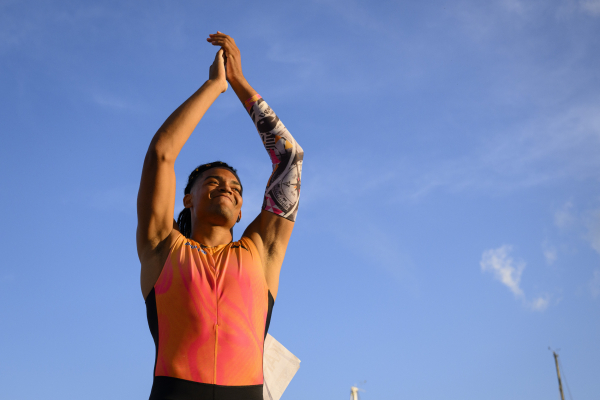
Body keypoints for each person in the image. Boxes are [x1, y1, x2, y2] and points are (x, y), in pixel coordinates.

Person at [136, 32, 303, 400]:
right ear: (188, 199)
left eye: (237, 188)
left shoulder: (261, 252)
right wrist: (215, 86)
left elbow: (290, 161)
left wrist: (242, 84)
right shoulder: (162, 248)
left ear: (243, 211)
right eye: (213, 182)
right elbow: (161, 154)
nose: (227, 188)